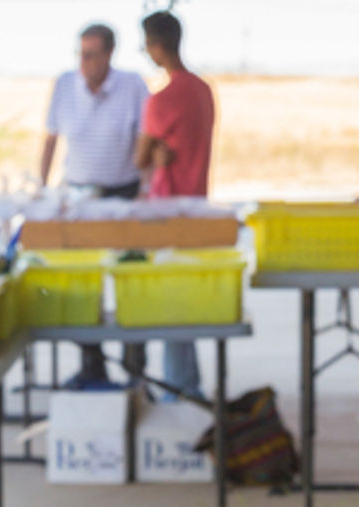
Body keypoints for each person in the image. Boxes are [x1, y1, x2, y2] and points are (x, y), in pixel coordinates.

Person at [40, 24, 149, 385]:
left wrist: (147, 188)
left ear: (108, 55)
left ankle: (136, 370)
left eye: (92, 54)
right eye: (81, 54)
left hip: (124, 194)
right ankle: (93, 366)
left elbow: (143, 139)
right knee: (85, 287)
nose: (84, 62)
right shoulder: (64, 85)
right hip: (79, 198)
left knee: (133, 282)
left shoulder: (132, 85)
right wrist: (42, 189)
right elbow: (51, 139)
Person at [137, 9, 215, 400]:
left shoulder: (161, 99)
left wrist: (155, 153)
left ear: (155, 45)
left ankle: (176, 391)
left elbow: (140, 157)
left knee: (170, 305)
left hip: (166, 209)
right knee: (185, 301)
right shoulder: (202, 90)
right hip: (196, 204)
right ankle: (188, 386)